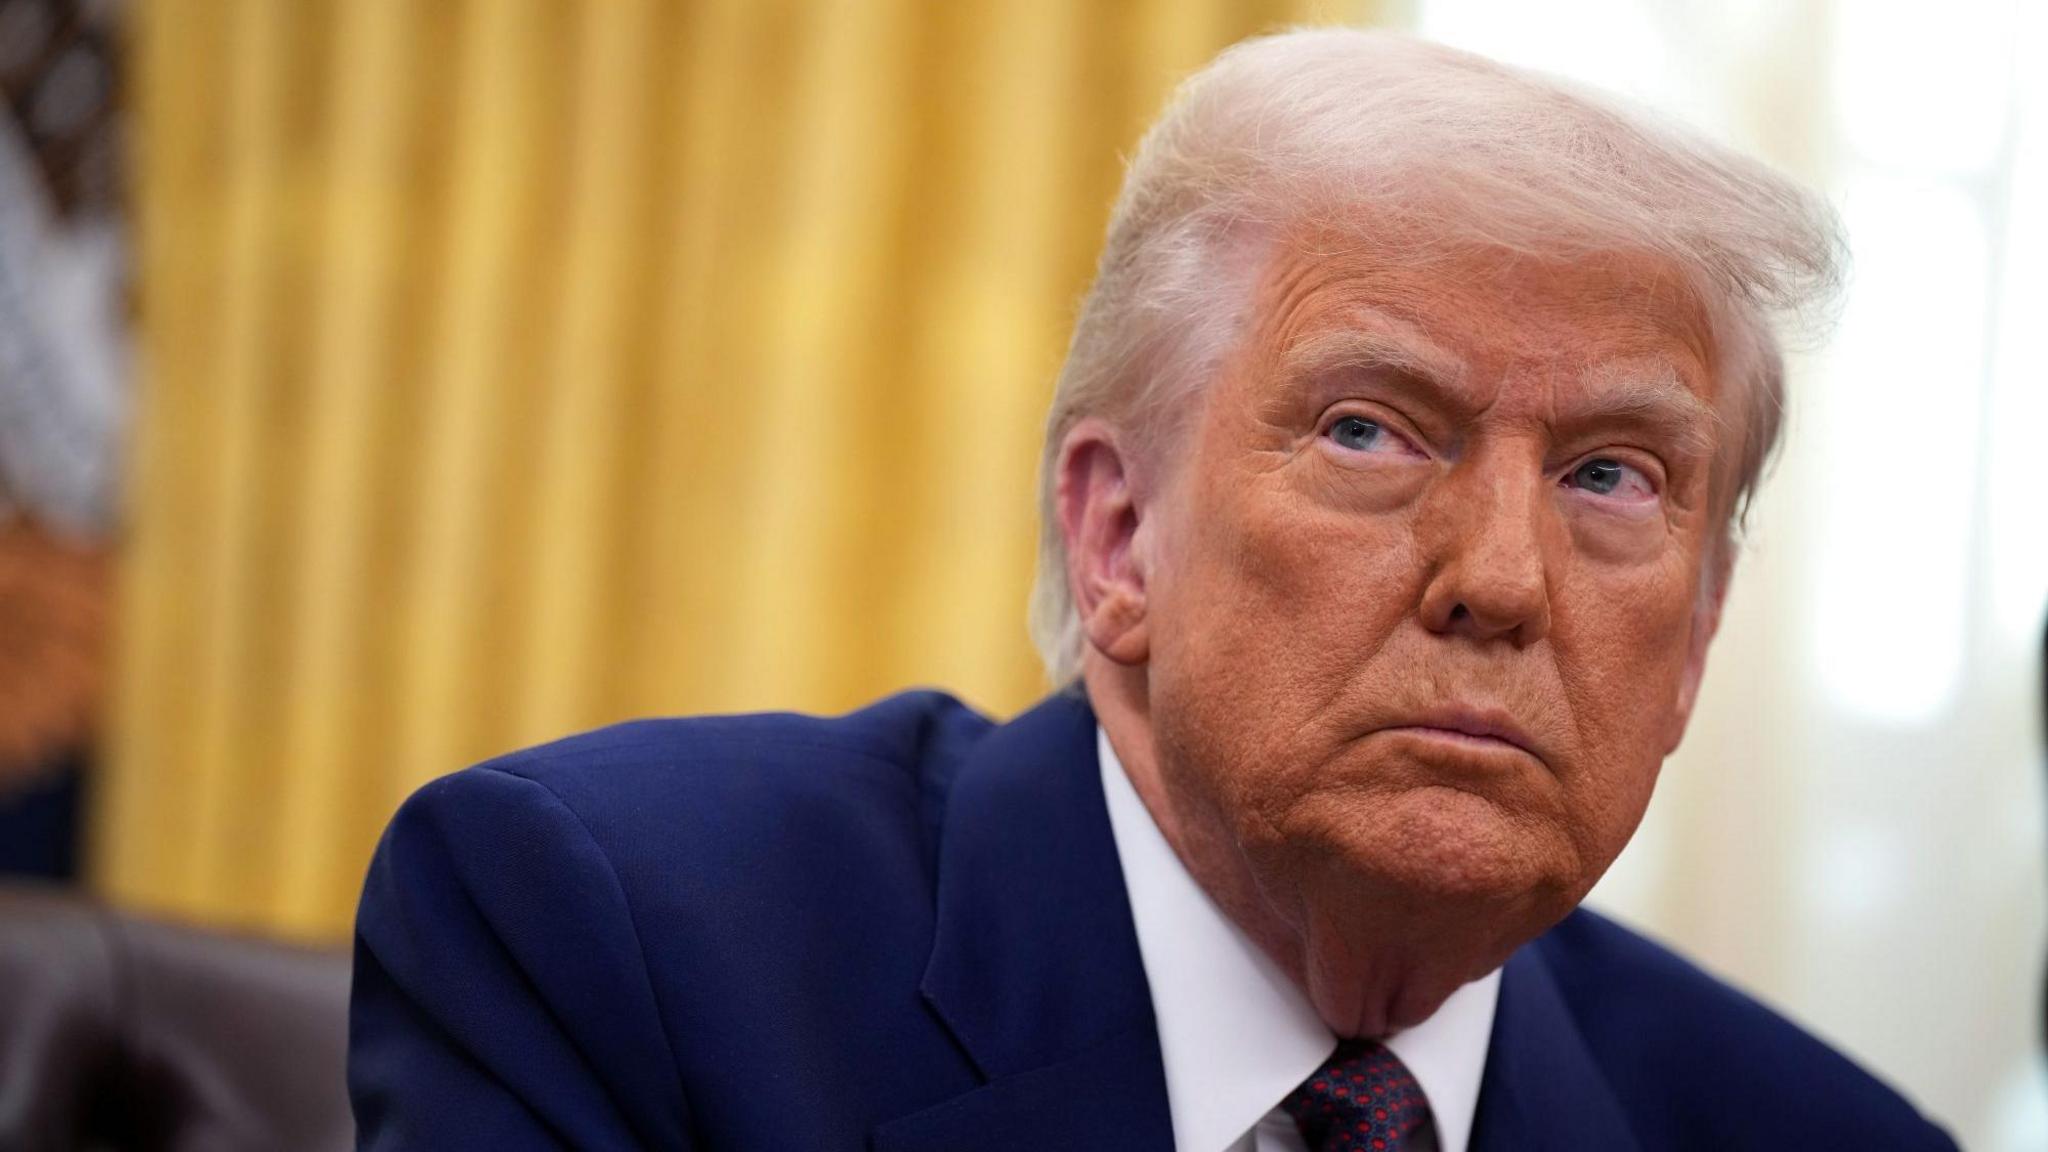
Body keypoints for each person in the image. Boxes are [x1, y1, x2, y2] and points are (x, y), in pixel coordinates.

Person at [348, 29, 1957, 1151]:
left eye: (1613, 476)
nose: (1502, 580)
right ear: (1119, 537)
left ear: (1699, 638)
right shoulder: (622, 942)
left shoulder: (1818, 1137)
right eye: (1371, 431)